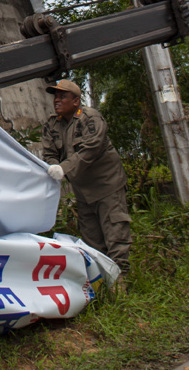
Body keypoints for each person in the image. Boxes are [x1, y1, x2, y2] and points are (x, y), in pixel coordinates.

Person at [41, 79, 131, 275]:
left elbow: (91, 149)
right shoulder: (52, 124)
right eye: (55, 96)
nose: (57, 100)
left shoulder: (90, 118)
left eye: (62, 96)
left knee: (115, 234)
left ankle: (123, 282)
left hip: (107, 185)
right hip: (83, 191)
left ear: (75, 101)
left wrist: (63, 168)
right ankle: (105, 283)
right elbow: (49, 152)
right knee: (92, 240)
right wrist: (53, 164)